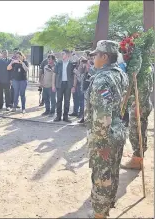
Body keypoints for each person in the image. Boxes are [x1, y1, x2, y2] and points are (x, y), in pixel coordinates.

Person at [85, 40, 129, 218]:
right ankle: (106, 207)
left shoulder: (103, 79)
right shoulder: (120, 74)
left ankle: (99, 214)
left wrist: (102, 143)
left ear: (104, 57)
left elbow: (103, 115)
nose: (93, 57)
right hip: (117, 131)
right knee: (112, 171)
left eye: (96, 55)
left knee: (102, 175)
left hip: (106, 136)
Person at [121, 58, 153, 170]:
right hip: (141, 103)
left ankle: (137, 159)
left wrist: (137, 105)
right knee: (140, 131)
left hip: (140, 105)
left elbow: (144, 89)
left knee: (136, 131)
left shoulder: (143, 69)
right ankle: (138, 156)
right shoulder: (146, 67)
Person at [52, 49, 77, 122]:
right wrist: (53, 85)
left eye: (63, 54)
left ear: (67, 55)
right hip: (60, 84)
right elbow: (54, 74)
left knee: (67, 101)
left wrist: (74, 86)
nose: (61, 55)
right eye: (61, 53)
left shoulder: (72, 64)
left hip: (68, 85)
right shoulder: (58, 63)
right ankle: (58, 116)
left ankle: (65, 117)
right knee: (59, 100)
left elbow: (74, 76)